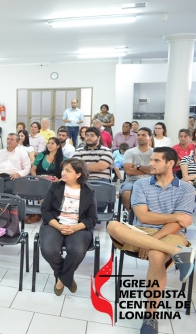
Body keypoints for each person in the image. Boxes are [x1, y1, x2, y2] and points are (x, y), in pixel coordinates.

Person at [107, 147, 195, 334]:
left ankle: (150, 316)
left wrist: (152, 240)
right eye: (151, 160)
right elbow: (143, 217)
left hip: (170, 234)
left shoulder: (187, 189)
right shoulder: (141, 185)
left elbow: (179, 225)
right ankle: (179, 253)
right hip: (140, 231)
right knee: (112, 225)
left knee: (156, 256)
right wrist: (176, 217)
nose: (150, 164)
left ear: (170, 163)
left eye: (156, 161)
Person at [40, 158, 97, 296]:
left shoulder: (88, 191)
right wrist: (59, 227)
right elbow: (45, 210)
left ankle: (61, 279)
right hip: (55, 224)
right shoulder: (55, 186)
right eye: (63, 169)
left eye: (68, 170)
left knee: (77, 251)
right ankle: (67, 277)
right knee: (48, 250)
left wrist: (74, 228)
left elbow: (92, 218)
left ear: (78, 174)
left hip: (78, 227)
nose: (63, 173)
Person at [120, 128, 154, 208]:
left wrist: (138, 167)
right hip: (132, 181)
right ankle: (132, 216)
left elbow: (155, 171)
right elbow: (128, 171)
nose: (140, 137)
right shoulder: (130, 152)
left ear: (150, 137)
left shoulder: (155, 152)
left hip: (151, 181)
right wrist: (148, 170)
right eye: (138, 135)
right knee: (126, 193)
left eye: (143, 135)